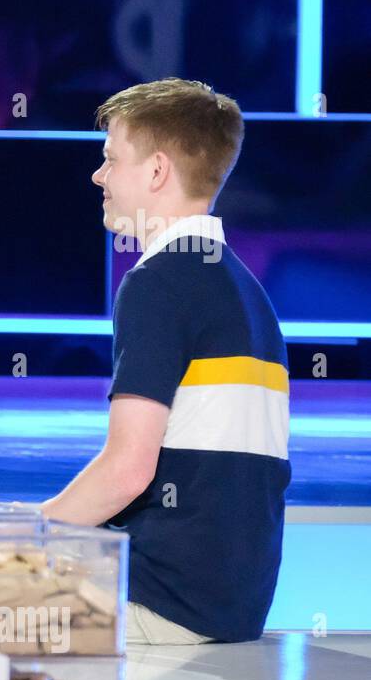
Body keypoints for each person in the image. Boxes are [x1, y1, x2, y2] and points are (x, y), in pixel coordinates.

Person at [42, 78, 290, 645]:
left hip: (160, 603)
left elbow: (127, 471)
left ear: (156, 173)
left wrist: (29, 528)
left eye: (110, 160)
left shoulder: (158, 282)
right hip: (232, 606)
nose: (98, 176)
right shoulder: (248, 290)